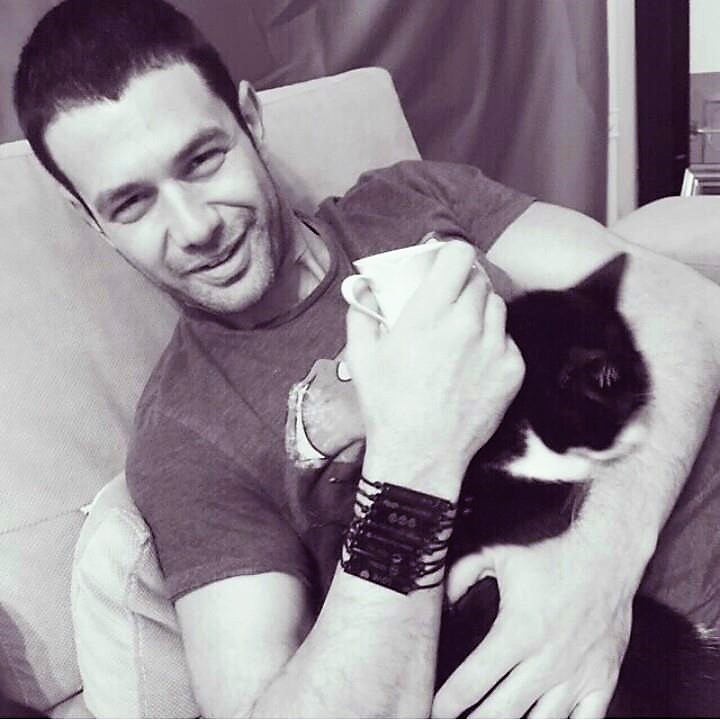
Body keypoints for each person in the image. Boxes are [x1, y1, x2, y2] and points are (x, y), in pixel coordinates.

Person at [13, 0, 720, 716]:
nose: (194, 227)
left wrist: (600, 567)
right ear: (90, 219)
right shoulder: (187, 437)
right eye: (132, 203)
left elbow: (685, 305)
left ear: (251, 120)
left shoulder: (406, 200)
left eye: (203, 160)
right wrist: (416, 458)